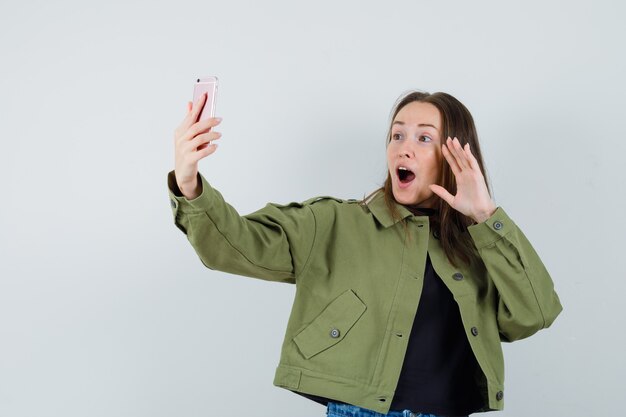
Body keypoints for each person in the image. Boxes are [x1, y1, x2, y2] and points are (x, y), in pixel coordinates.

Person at [167, 89, 563, 417]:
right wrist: (189, 184)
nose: (404, 149)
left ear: (456, 157)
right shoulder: (333, 223)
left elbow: (535, 313)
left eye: (424, 138)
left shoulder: (483, 245)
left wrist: (485, 216)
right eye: (397, 135)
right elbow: (232, 246)